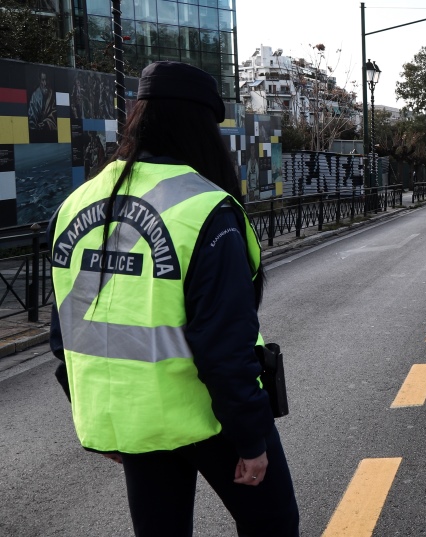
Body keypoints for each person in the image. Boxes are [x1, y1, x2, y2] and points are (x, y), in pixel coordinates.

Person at [48, 61, 299, 536]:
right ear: (201, 127)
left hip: (135, 419)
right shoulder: (204, 208)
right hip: (211, 416)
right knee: (274, 525)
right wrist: (251, 439)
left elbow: (65, 334)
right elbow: (225, 346)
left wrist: (98, 415)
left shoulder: (74, 205)